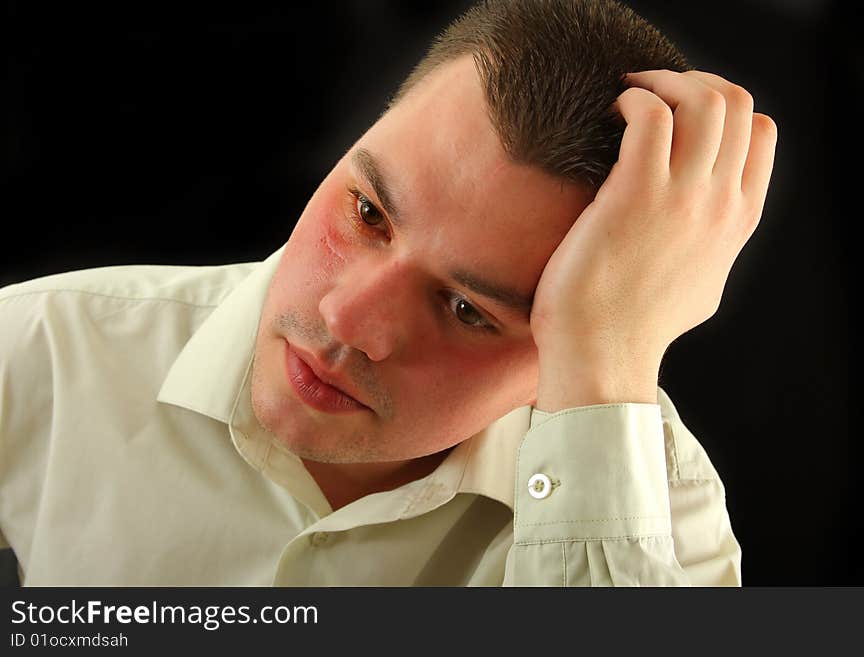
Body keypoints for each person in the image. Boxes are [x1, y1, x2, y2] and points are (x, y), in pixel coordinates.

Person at [0, 0, 775, 586]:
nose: (347, 319)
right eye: (368, 212)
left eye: (467, 308)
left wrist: (603, 368)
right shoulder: (42, 349)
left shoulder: (660, 517)